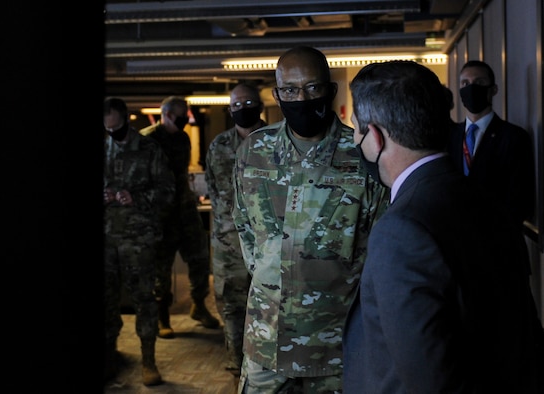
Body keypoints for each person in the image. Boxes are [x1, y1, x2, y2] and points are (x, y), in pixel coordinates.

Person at [343, 60, 544, 393]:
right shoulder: (484, 200)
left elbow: (430, 380)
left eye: (356, 128)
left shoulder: (400, 231)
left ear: (375, 137)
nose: (355, 138)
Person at [231, 46, 390, 393]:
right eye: (289, 90)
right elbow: (244, 226)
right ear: (276, 95)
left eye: (312, 88)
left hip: (336, 345)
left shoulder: (363, 154)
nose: (300, 98)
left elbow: (380, 246)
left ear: (331, 90)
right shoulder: (254, 152)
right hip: (266, 340)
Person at [103, 97, 175, 386]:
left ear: (127, 120)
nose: (112, 135)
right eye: (107, 130)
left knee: (144, 300)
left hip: (139, 239)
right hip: (106, 240)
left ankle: (149, 362)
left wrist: (137, 198)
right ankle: (110, 361)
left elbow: (168, 191)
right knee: (106, 304)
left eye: (117, 129)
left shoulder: (149, 149)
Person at [140, 96, 220, 338]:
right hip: (159, 213)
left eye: (186, 114)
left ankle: (198, 305)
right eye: (180, 116)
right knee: (161, 268)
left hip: (184, 209)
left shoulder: (183, 137)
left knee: (200, 257)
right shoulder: (147, 140)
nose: (185, 120)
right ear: (165, 114)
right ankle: (162, 317)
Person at [447, 60, 535, 271]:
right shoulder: (448, 138)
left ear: (493, 89)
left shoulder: (514, 137)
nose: (471, 88)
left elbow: (521, 201)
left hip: (503, 252)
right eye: (465, 83)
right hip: (459, 253)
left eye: (479, 82)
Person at [205, 83, 267, 376]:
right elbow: (214, 190)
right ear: (229, 110)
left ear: (260, 105)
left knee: (267, 307)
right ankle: (235, 369)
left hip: (266, 244)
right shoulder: (217, 146)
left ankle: (263, 371)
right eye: (236, 105)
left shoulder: (276, 142)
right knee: (230, 307)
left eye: (248, 103)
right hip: (228, 245)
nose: (242, 109)